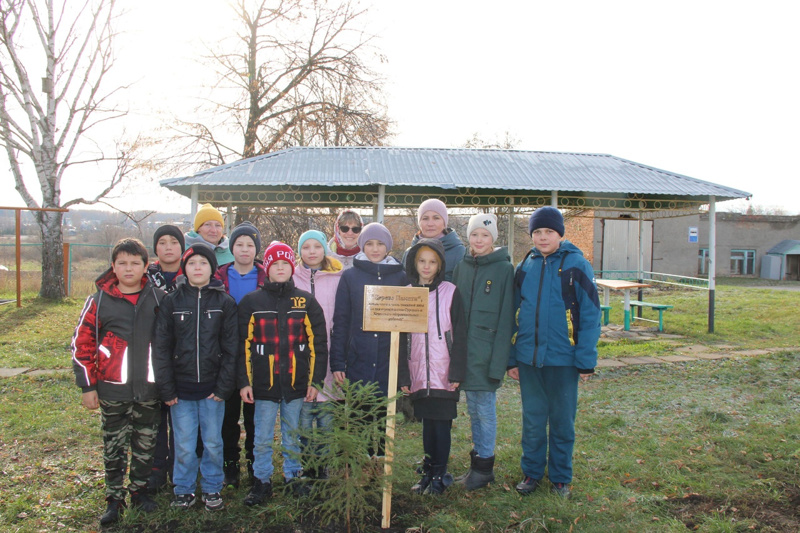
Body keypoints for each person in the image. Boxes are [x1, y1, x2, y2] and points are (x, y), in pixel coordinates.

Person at [507, 207, 601, 499]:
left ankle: (561, 477)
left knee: (561, 421)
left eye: (549, 231)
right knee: (533, 420)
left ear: (560, 233)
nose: (543, 237)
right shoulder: (526, 265)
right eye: (537, 232)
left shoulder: (576, 264)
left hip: (564, 359)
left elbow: (590, 314)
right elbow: (511, 312)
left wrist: (585, 360)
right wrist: (513, 357)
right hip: (529, 359)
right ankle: (532, 472)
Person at [71, 238, 165, 526]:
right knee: (114, 445)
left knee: (145, 443)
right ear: (113, 266)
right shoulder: (99, 302)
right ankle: (114, 497)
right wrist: (88, 386)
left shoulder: (159, 298)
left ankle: (139, 491)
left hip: (149, 389)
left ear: (145, 266)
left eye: (135, 263)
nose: (128, 268)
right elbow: (82, 345)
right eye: (122, 263)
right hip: (112, 391)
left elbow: (168, 343)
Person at [238, 242, 329, 505]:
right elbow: (241, 345)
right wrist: (244, 381)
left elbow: (318, 345)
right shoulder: (251, 302)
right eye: (274, 264)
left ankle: (293, 476)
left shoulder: (306, 301)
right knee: (263, 437)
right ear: (267, 268)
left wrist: (316, 381)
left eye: (285, 264)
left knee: (292, 434)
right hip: (263, 386)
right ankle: (262, 480)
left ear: (292, 267)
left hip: (296, 384)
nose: (280, 268)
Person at [153, 244, 238, 511]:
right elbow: (162, 348)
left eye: (203, 262)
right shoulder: (172, 301)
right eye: (192, 263)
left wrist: (224, 387)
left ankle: (212, 487)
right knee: (185, 443)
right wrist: (167, 389)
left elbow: (231, 348)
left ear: (212, 268)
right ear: (184, 268)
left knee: (213, 441)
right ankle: (184, 489)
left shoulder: (224, 302)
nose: (197, 267)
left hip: (213, 389)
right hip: (181, 390)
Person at [330, 223, 408, 456]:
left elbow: (406, 327)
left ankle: (382, 464)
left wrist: (403, 370)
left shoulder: (401, 278)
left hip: (388, 359)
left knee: (385, 416)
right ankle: (361, 466)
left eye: (380, 244)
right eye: (370, 244)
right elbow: (341, 321)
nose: (375, 249)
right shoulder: (350, 277)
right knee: (359, 416)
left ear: (388, 247)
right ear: (363, 246)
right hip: (358, 358)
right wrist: (337, 362)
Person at [450, 213, 515, 491]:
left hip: (486, 354)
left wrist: (498, 360)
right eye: (475, 234)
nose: (479, 240)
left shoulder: (503, 270)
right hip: (463, 352)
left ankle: (484, 467)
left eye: (485, 235)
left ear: (493, 239)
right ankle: (475, 465)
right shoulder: (461, 266)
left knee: (485, 411)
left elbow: (507, 317)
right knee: (473, 410)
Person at [398, 238, 467, 495]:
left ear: (439, 265)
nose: (427, 267)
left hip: (444, 372)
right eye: (422, 261)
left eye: (433, 262)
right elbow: (402, 336)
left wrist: (457, 371)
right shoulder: (407, 293)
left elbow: (460, 333)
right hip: (418, 371)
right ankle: (428, 470)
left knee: (442, 423)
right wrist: (403, 374)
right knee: (427, 423)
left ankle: (440, 472)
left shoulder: (451, 291)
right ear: (414, 263)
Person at [214, 221, 266, 487]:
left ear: (256, 249)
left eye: (250, 245)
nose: (244, 249)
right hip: (224, 357)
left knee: (254, 418)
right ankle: (230, 467)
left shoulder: (266, 278)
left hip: (257, 357)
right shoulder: (217, 277)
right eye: (239, 244)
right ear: (231, 247)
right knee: (227, 418)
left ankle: (255, 466)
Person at [292, 230, 344, 479]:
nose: (312, 251)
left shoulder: (337, 278)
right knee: (303, 417)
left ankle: (322, 466)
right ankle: (307, 465)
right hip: (299, 356)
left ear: (325, 249)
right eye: (306, 247)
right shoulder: (291, 278)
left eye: (317, 246)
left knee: (325, 419)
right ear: (299, 251)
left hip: (329, 352)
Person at [145, 224, 185, 493]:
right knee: (155, 416)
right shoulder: (144, 277)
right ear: (155, 248)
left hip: (185, 357)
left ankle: (180, 467)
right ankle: (156, 468)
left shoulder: (195, 272)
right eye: (162, 242)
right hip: (151, 354)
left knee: (181, 419)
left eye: (174, 241)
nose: (168, 246)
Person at [403, 198, 466, 282]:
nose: (430, 224)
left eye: (436, 218)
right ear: (419, 223)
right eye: (425, 218)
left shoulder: (459, 252)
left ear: (444, 222)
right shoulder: (409, 253)